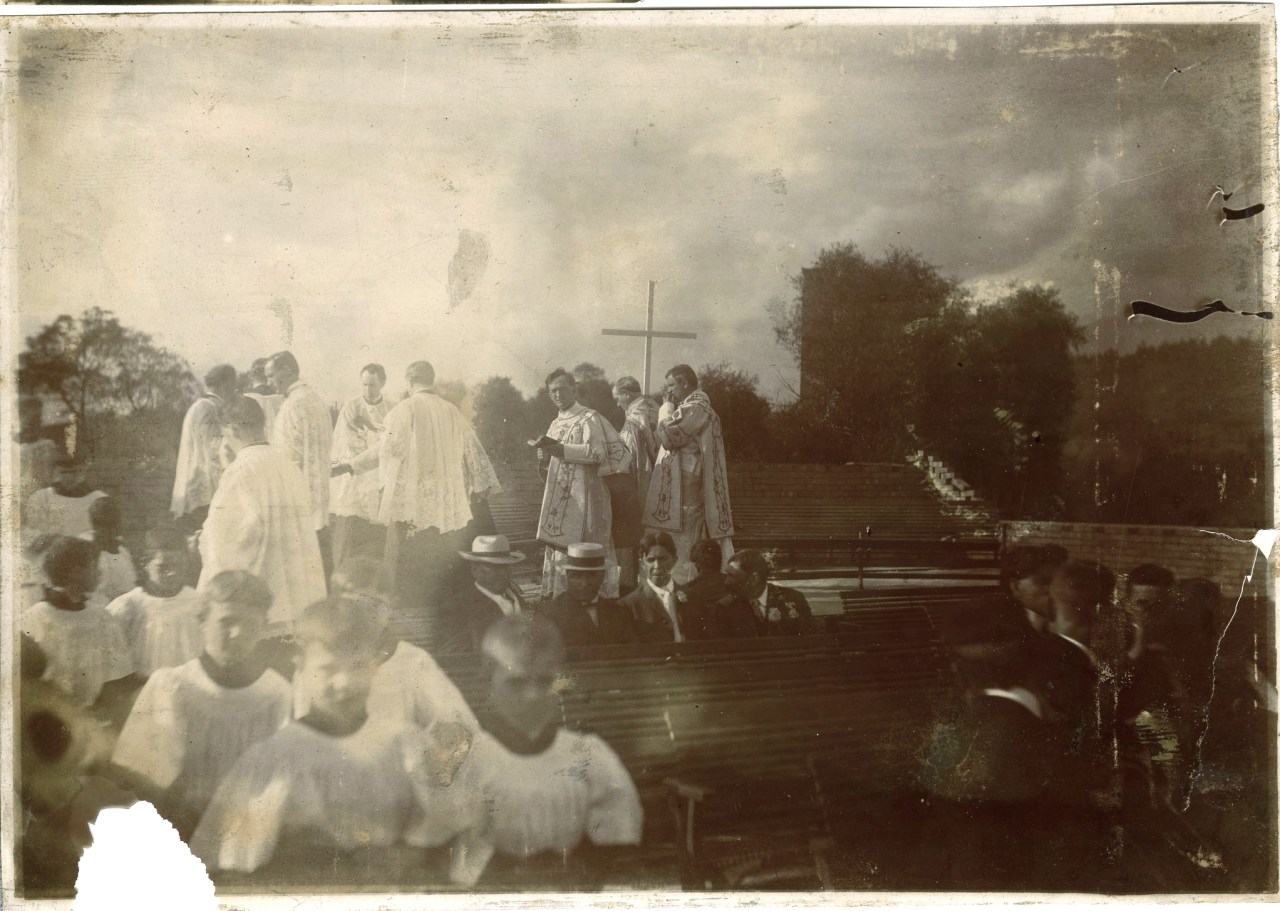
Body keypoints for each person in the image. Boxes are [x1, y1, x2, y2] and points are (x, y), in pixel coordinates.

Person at [190, 595, 451, 876]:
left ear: (375, 666)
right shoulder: (272, 759)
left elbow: (445, 830)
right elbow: (233, 861)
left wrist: (408, 855)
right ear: (301, 666)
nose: (345, 682)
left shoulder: (404, 744)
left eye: (358, 666)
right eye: (328, 668)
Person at [412, 616, 643, 888]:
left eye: (544, 682)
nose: (532, 696)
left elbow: (617, 833)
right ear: (488, 682)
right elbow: (434, 841)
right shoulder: (467, 757)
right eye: (516, 683)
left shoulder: (586, 754)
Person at [109, 571, 292, 839]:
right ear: (202, 621)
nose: (237, 634)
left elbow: (281, 780)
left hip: (249, 830)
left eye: (251, 624)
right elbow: (144, 772)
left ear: (264, 627)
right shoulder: (173, 685)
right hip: (179, 826)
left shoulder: (275, 693)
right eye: (226, 621)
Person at [362, 360, 501, 650]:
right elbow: (473, 454)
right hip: (447, 511)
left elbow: (388, 452)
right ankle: (446, 639)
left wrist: (380, 484)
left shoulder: (403, 410)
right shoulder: (452, 411)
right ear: (432, 380)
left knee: (405, 574)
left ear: (409, 382)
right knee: (445, 576)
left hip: (412, 509)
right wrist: (476, 486)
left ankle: (408, 641)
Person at [197, 395, 326, 632]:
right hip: (299, 597)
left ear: (233, 430)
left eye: (225, 434)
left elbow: (224, 537)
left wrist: (203, 539)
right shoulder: (288, 465)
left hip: (263, 600)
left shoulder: (240, 470)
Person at [319, 556, 479, 735]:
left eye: (375, 605)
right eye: (352, 605)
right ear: (333, 605)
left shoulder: (413, 661)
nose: (363, 616)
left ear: (391, 605)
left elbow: (459, 728)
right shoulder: (318, 661)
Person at [534, 368, 630, 601]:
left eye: (562, 389)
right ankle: (563, 600)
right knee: (562, 548)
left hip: (588, 498)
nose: (557, 395)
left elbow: (598, 453)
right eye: (553, 391)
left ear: (573, 390)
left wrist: (562, 450)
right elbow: (553, 462)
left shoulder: (589, 418)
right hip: (563, 499)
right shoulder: (555, 423)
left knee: (587, 547)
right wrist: (544, 458)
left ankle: (597, 601)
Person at [642, 364, 734, 582]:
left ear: (684, 383)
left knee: (683, 537)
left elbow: (668, 437)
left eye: (671, 385)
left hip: (687, 484)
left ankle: (680, 582)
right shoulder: (693, 407)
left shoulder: (697, 407)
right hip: (684, 481)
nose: (669, 391)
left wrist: (665, 409)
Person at [21, 536, 135, 709]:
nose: (100, 573)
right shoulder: (33, 620)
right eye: (94, 567)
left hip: (94, 716)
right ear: (76, 572)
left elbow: (118, 679)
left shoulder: (102, 619)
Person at [264, 351, 334, 575]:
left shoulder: (291, 407)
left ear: (286, 371)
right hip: (321, 503)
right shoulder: (317, 401)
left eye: (271, 375)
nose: (268, 382)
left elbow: (286, 462)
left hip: (297, 507)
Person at [106, 524, 205, 678]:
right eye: (163, 567)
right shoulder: (130, 605)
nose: (172, 573)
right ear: (145, 564)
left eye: (179, 565)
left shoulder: (198, 602)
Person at [329, 364, 393, 569]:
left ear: (382, 383)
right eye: (364, 385)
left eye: (372, 385)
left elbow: (391, 441)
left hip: (379, 473)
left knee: (377, 534)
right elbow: (345, 441)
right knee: (349, 528)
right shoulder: (352, 407)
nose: (367, 390)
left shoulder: (392, 408)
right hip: (355, 475)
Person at [171, 364, 238, 530]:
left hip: (202, 488)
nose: (235, 390)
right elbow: (214, 452)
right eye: (233, 384)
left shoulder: (202, 406)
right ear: (225, 384)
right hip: (205, 492)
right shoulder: (209, 407)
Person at [442, 535, 531, 654]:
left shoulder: (516, 598)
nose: (502, 573)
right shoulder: (459, 607)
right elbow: (455, 657)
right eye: (492, 568)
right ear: (475, 570)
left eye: (505, 567)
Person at [538, 543, 638, 648]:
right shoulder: (549, 613)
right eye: (577, 575)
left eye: (591, 575)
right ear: (567, 575)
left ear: (602, 576)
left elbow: (631, 651)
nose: (584, 583)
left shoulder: (619, 612)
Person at [611, 376, 657, 593]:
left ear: (626, 394)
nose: (617, 404)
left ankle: (632, 589)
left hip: (638, 487)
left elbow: (629, 461)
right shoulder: (655, 407)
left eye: (617, 398)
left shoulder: (632, 423)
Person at [621, 531, 701, 643]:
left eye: (663, 559)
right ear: (642, 564)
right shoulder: (629, 605)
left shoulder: (694, 598)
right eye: (650, 560)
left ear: (674, 560)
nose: (657, 566)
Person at [723, 548, 817, 637]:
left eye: (732, 576)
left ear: (754, 579)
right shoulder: (725, 607)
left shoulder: (794, 599)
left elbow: (810, 638)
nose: (726, 582)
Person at [23, 454, 107, 541]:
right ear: (54, 473)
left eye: (74, 472)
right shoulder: (42, 497)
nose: (69, 478)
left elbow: (104, 534)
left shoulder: (99, 499)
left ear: (84, 472)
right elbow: (33, 531)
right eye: (63, 472)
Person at [82, 495, 138, 603]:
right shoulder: (85, 548)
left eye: (116, 523)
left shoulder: (123, 551)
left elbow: (130, 585)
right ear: (95, 524)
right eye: (106, 524)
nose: (116, 528)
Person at [16, 395, 57, 509]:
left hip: (47, 498)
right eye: (29, 417)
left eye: (38, 418)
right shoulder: (13, 448)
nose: (35, 422)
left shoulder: (49, 445)